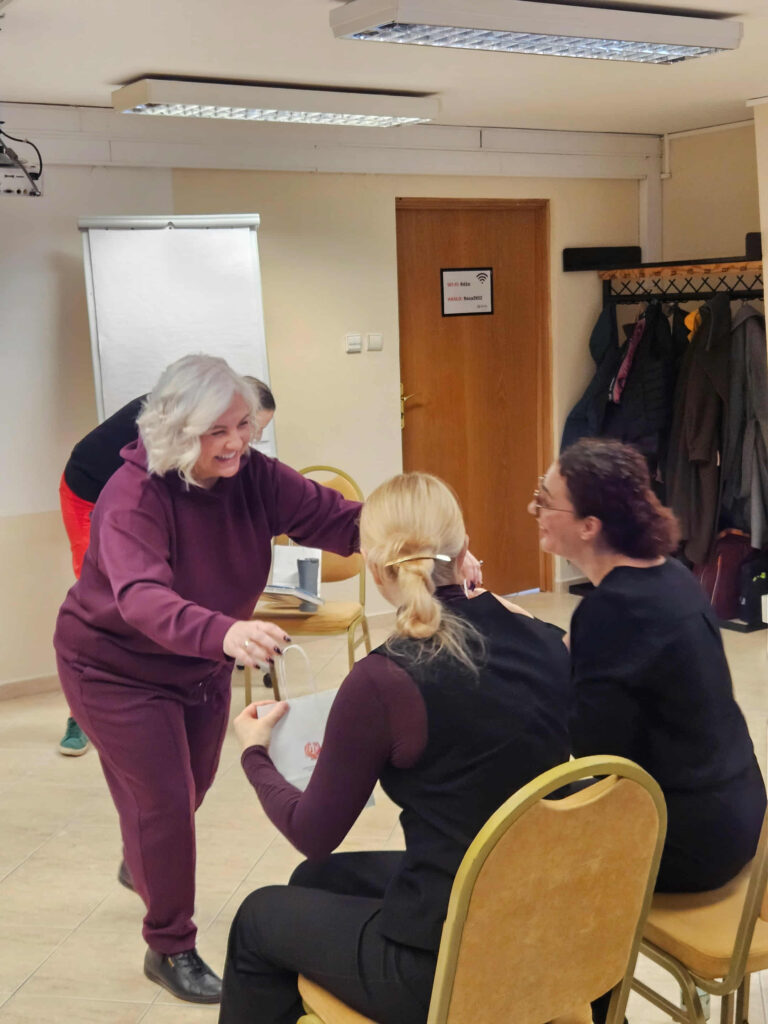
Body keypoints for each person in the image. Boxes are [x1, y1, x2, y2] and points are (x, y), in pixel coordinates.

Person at [53, 354, 355, 1005]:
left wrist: (423, 540)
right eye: (217, 431)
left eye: (244, 425)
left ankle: (145, 857)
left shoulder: (254, 476)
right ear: (176, 431)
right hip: (113, 669)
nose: (237, 442)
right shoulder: (132, 495)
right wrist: (224, 633)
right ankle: (169, 947)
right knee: (165, 800)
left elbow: (337, 518)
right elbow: (141, 597)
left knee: (190, 787)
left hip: (199, 664)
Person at [219, 471, 572, 1024]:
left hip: (450, 965)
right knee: (318, 880)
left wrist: (254, 754)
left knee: (257, 920)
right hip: (541, 915)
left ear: (375, 567)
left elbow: (312, 833)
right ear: (464, 547)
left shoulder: (383, 679)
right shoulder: (549, 642)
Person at [529, 438, 767, 1021]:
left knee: (529, 848)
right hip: (741, 815)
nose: (534, 509)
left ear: (589, 526)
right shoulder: (671, 578)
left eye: (544, 500)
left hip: (691, 845)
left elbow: (598, 764)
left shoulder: (608, 611)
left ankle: (591, 1009)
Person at [56, 380, 276, 755]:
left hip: (132, 493)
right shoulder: (173, 420)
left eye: (254, 432)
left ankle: (175, 687)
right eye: (247, 426)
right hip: (88, 492)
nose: (245, 442)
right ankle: (83, 711)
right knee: (108, 598)